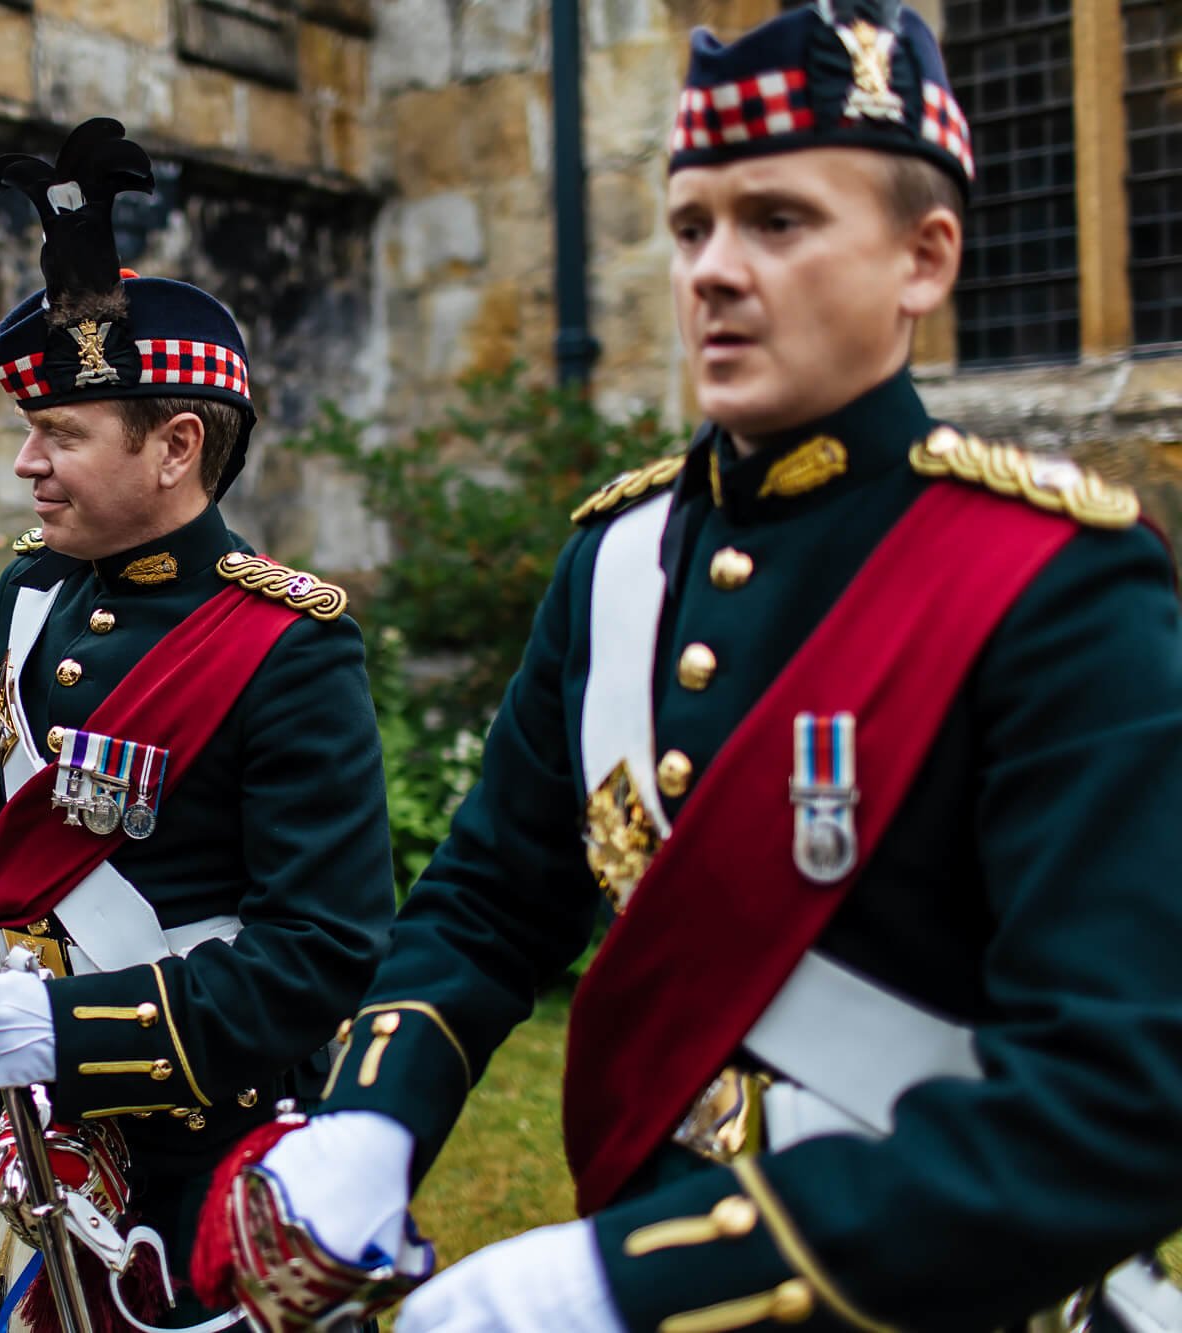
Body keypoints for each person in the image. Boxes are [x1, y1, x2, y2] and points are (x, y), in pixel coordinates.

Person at [208, 3, 1182, 1331]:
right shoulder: (617, 560)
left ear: (926, 257)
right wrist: (373, 1113)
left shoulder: (1058, 582)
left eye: (777, 222)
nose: (713, 270)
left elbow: (1118, 1095)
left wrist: (630, 1279)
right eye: (689, 227)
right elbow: (491, 898)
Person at [0, 118, 396, 1326]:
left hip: (201, 1144)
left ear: (175, 447)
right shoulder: (30, 590)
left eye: (59, 436)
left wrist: (65, 1024)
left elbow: (317, 954)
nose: (24, 467)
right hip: (37, 1124)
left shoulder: (287, 644)